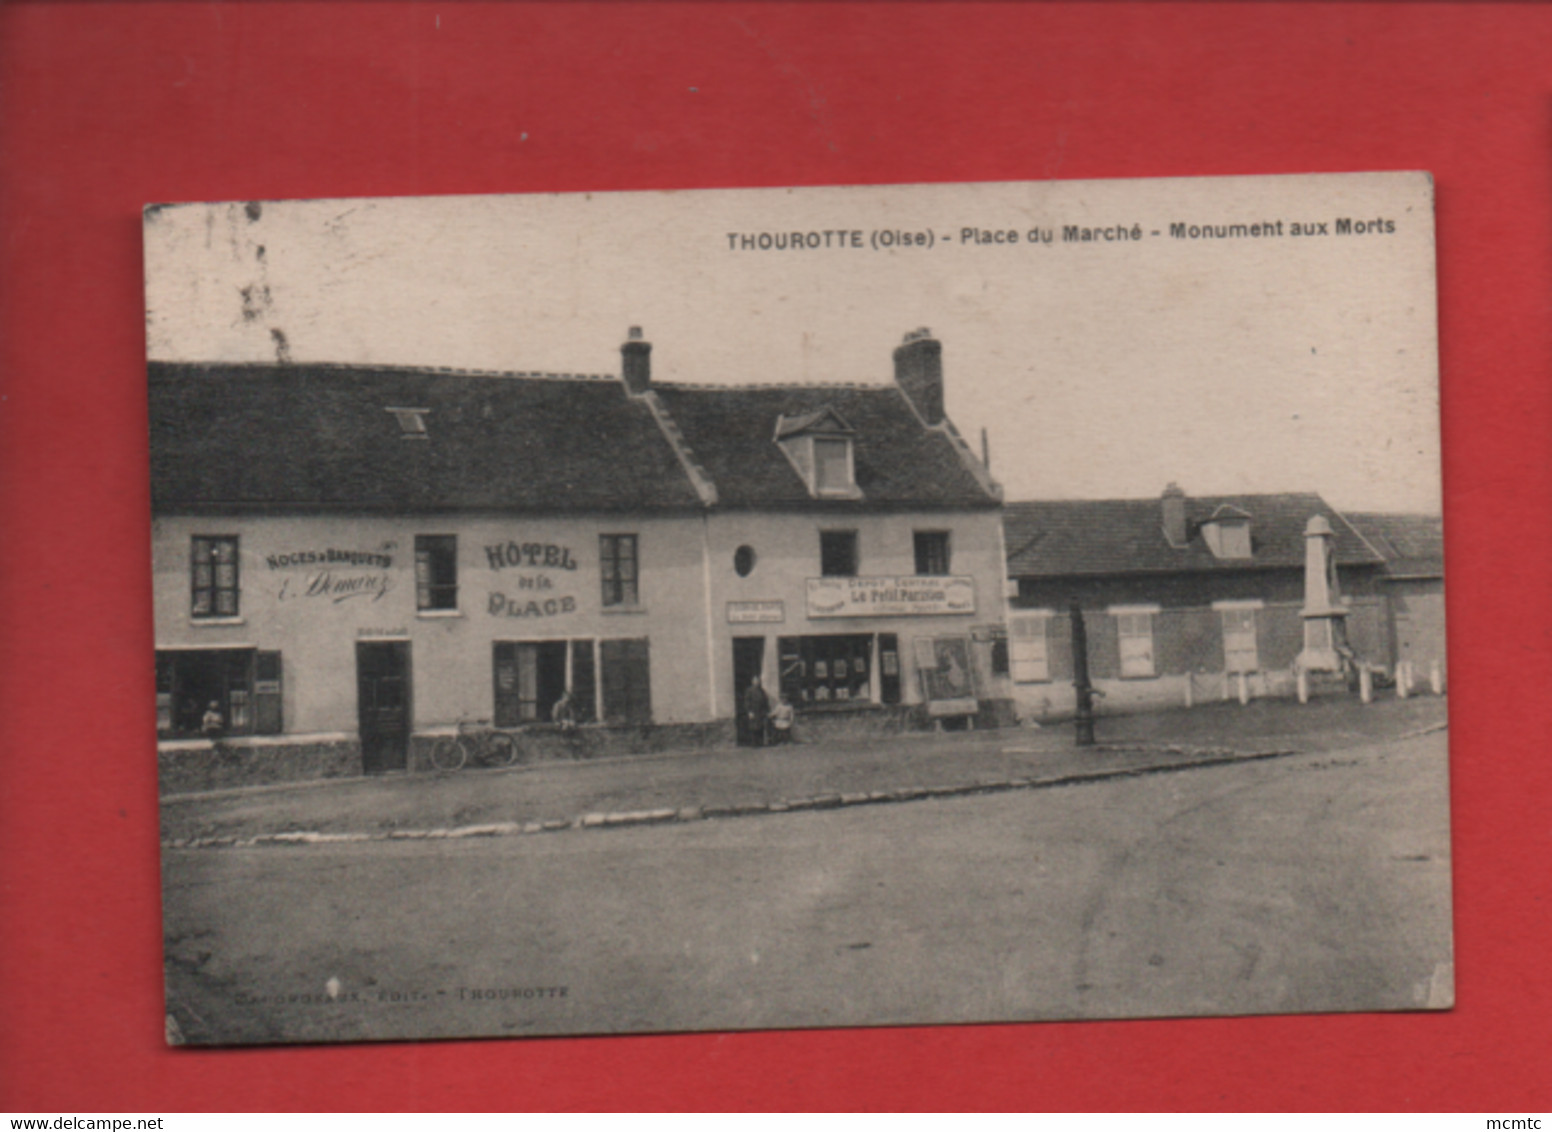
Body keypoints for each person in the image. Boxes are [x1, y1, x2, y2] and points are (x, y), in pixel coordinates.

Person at [742, 676, 770, 747]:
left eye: (758, 681)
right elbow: (747, 701)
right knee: (753, 727)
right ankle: (753, 743)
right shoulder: (749, 690)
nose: (757, 683)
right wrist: (749, 711)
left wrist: (766, 710)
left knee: (760, 727)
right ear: (753, 682)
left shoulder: (762, 691)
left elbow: (765, 701)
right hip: (753, 711)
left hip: (761, 711)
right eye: (756, 681)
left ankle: (760, 742)